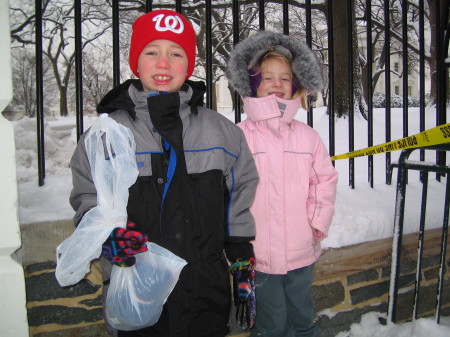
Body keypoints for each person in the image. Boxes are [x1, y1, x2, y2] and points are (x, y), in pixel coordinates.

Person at [69, 9, 258, 337]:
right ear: (136, 62)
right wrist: (108, 236)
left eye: (176, 53)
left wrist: (241, 255)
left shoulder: (222, 133)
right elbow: (89, 198)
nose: (163, 63)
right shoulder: (108, 134)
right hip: (138, 290)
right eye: (151, 52)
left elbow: (239, 194)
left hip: (205, 292)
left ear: (189, 64)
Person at [226, 30, 339, 337]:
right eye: (267, 77)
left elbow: (324, 181)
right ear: (253, 84)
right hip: (259, 252)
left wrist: (317, 221)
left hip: (301, 248)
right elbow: (228, 188)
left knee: (302, 312)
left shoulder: (307, 137)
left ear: (296, 86)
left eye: (285, 78)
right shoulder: (239, 135)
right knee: (271, 319)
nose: (277, 84)